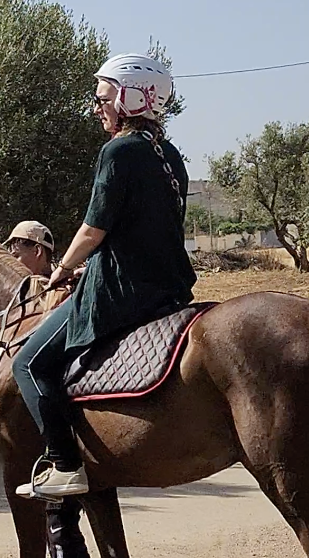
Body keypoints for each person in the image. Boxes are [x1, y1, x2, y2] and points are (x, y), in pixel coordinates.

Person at [11, 54, 195, 500]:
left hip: (121, 291)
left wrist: (64, 269)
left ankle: (64, 464)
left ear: (133, 97)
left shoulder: (118, 151)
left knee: (29, 364)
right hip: (170, 290)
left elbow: (95, 228)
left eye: (104, 97)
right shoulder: (170, 155)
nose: (98, 107)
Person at [8, 220, 118, 558]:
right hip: (59, 419)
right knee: (63, 522)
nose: (14, 255)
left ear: (39, 249)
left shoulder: (57, 290)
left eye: (19, 247)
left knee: (57, 520)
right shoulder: (37, 290)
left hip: (64, 425)